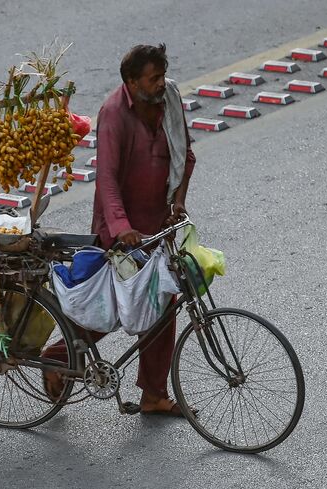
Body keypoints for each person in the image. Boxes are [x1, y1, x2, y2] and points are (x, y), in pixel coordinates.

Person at [43, 44, 196, 417]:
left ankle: (153, 394)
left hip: (157, 225)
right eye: (154, 78)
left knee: (161, 305)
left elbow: (185, 155)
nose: (162, 83)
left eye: (163, 75)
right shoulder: (114, 114)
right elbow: (107, 179)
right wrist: (122, 227)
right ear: (131, 82)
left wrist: (178, 203)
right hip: (120, 229)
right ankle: (57, 356)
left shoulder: (169, 99)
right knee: (112, 308)